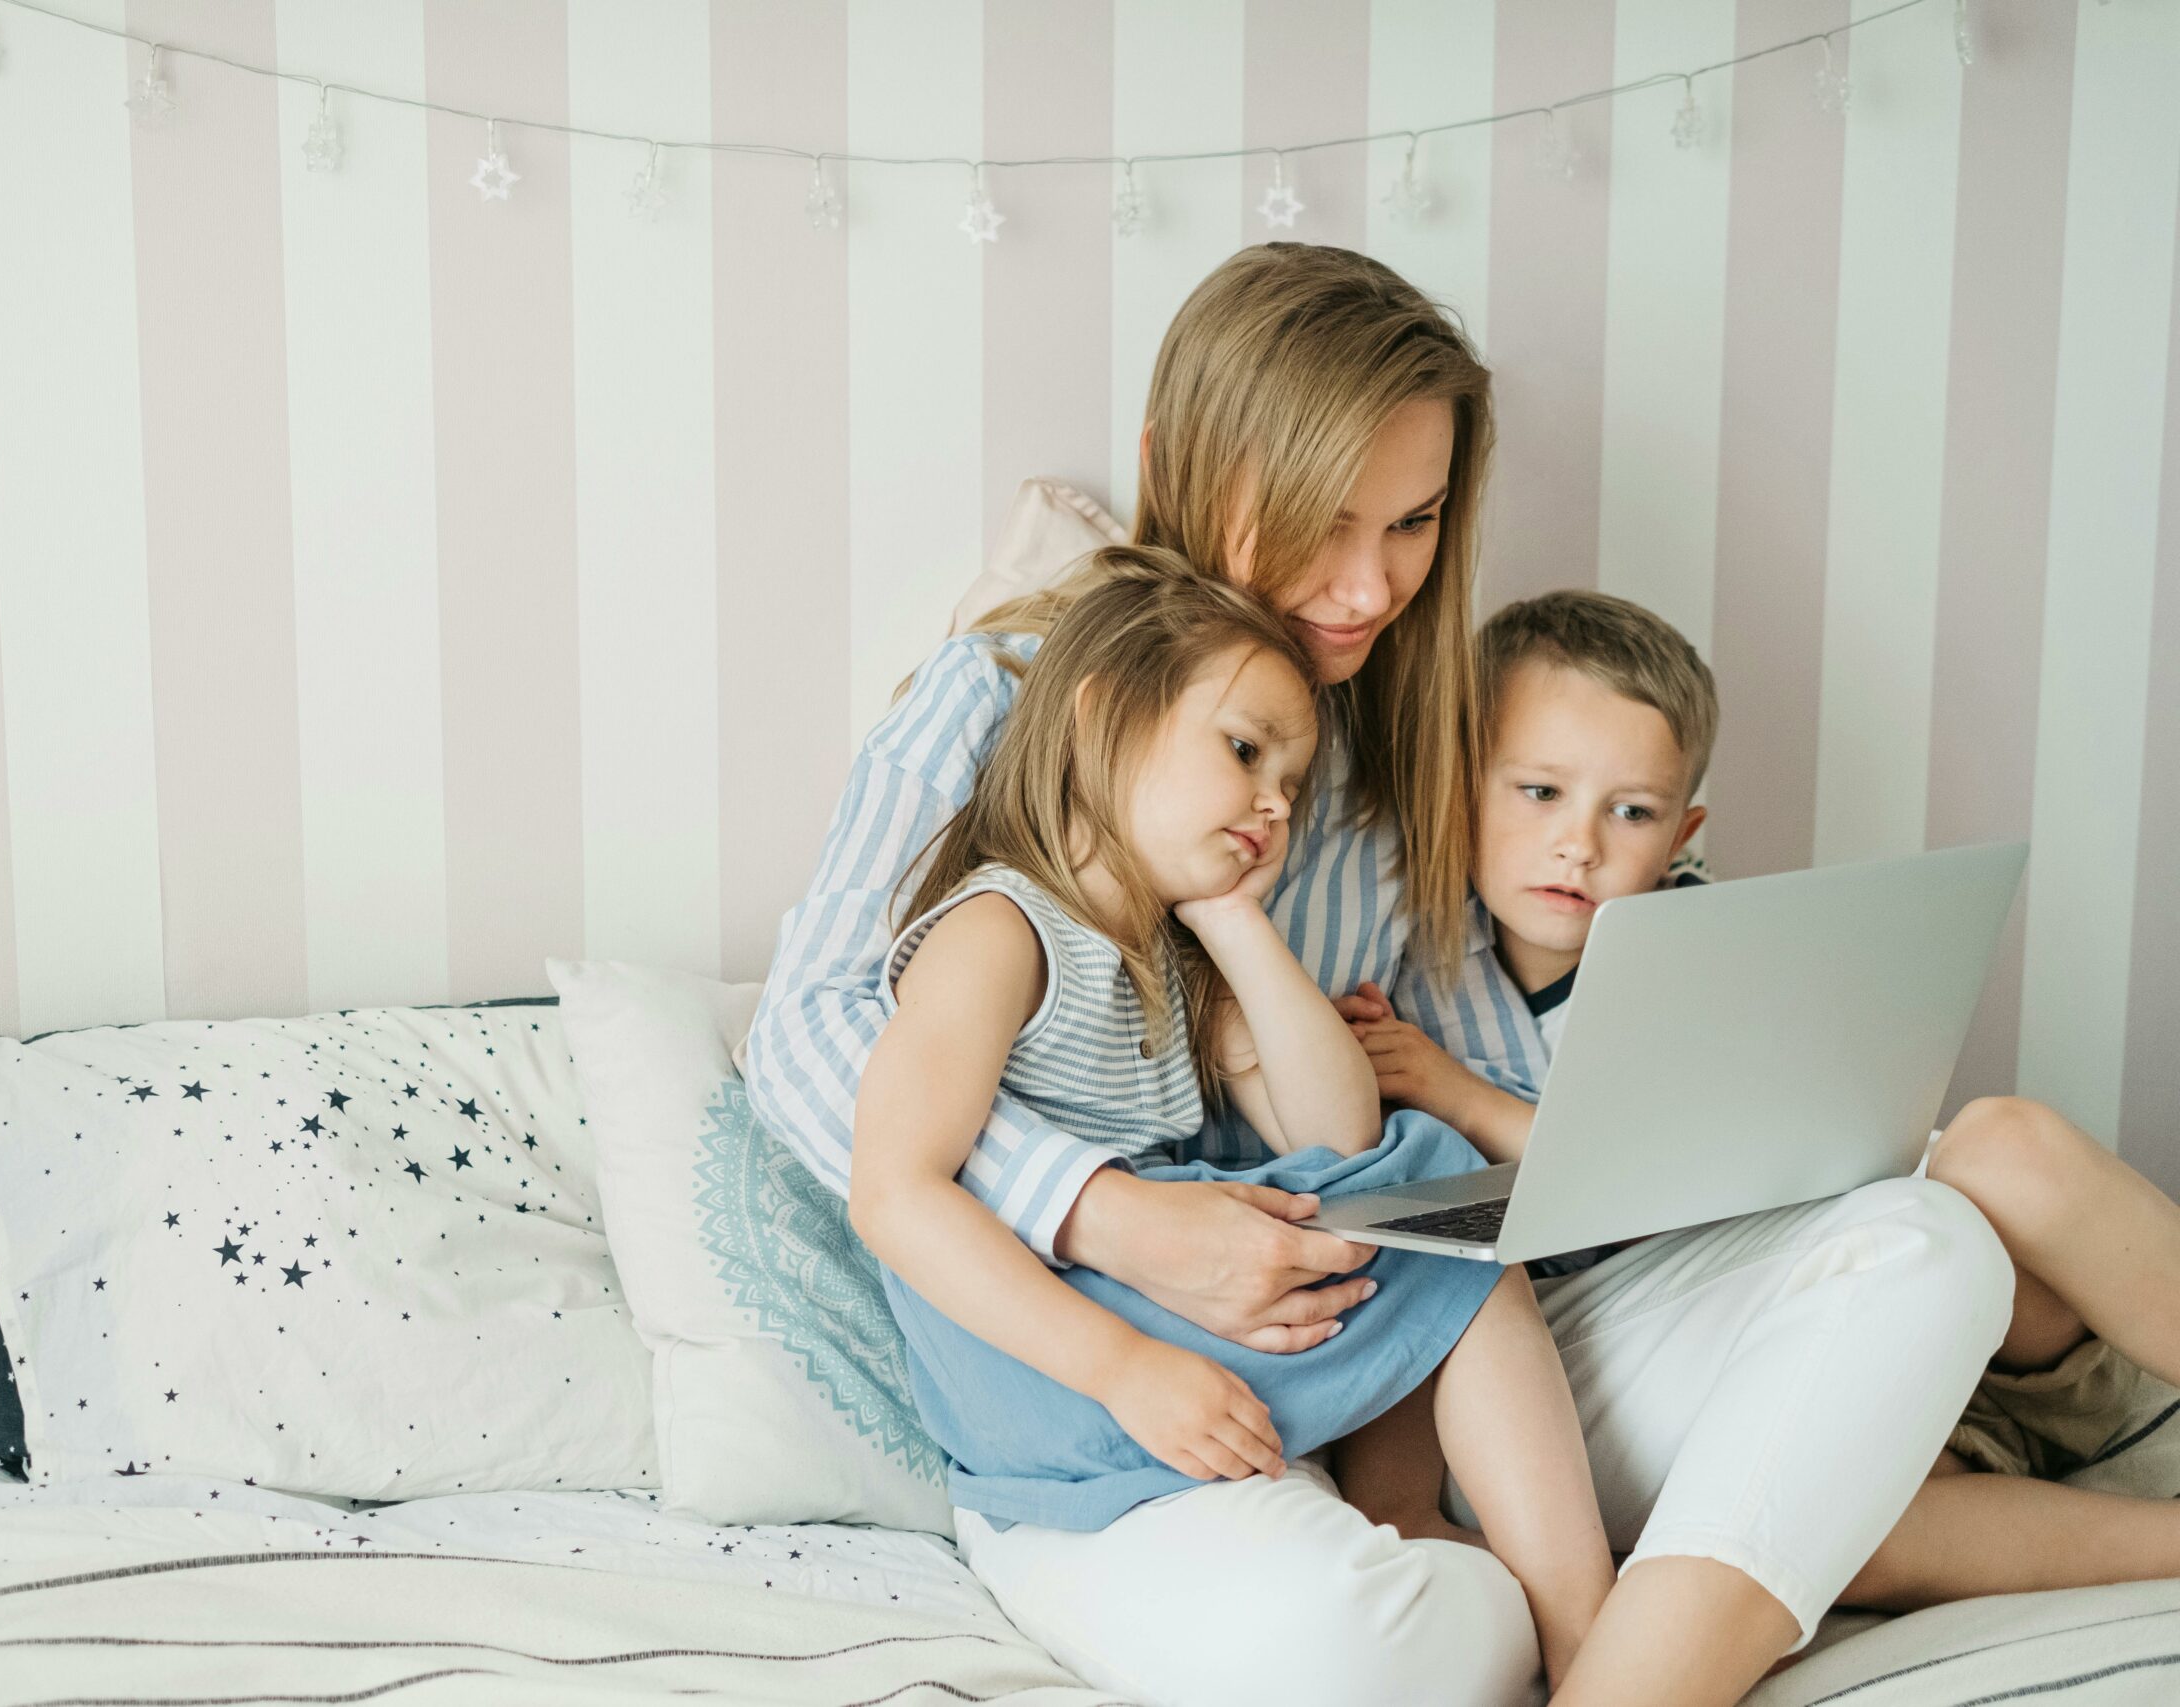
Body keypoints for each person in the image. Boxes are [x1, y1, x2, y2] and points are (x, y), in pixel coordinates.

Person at [743, 242, 2013, 1707]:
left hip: (1458, 1292)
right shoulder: (1015, 706)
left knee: (1933, 1244)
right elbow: (806, 1040)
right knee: (1366, 1631)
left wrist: (1720, 1090)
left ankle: (1612, 1652)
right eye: (1323, 523)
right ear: (1182, 463)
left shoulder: (1434, 729)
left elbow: (1467, 1055)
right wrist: (1106, 1215)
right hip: (1163, 1354)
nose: (1362, 589)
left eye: (1412, 524)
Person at [848, 551, 1613, 1687]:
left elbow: (1340, 1125)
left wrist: (1233, 925)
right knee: (1450, 1199)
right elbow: (892, 1192)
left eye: (1293, 787)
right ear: (1103, 719)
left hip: (1137, 1332)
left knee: (1432, 1195)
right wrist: (1118, 1369)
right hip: (1054, 1361)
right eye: (1244, 751)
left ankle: (1407, 1511)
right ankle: (1589, 1634)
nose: (1273, 802)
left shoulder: (1171, 959)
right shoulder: (999, 930)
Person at [1345, 586, 2180, 1614]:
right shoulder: (1405, 963)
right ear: (1455, 780)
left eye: (1631, 812)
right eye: (1538, 793)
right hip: (1671, 1341)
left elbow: (1688, 1168)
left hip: (1899, 1288)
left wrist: (1460, 1093)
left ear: (1680, 831)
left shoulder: (1698, 948)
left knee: (2006, 1142)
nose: (1580, 844)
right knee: (1839, 1534)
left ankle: (2103, 1415)